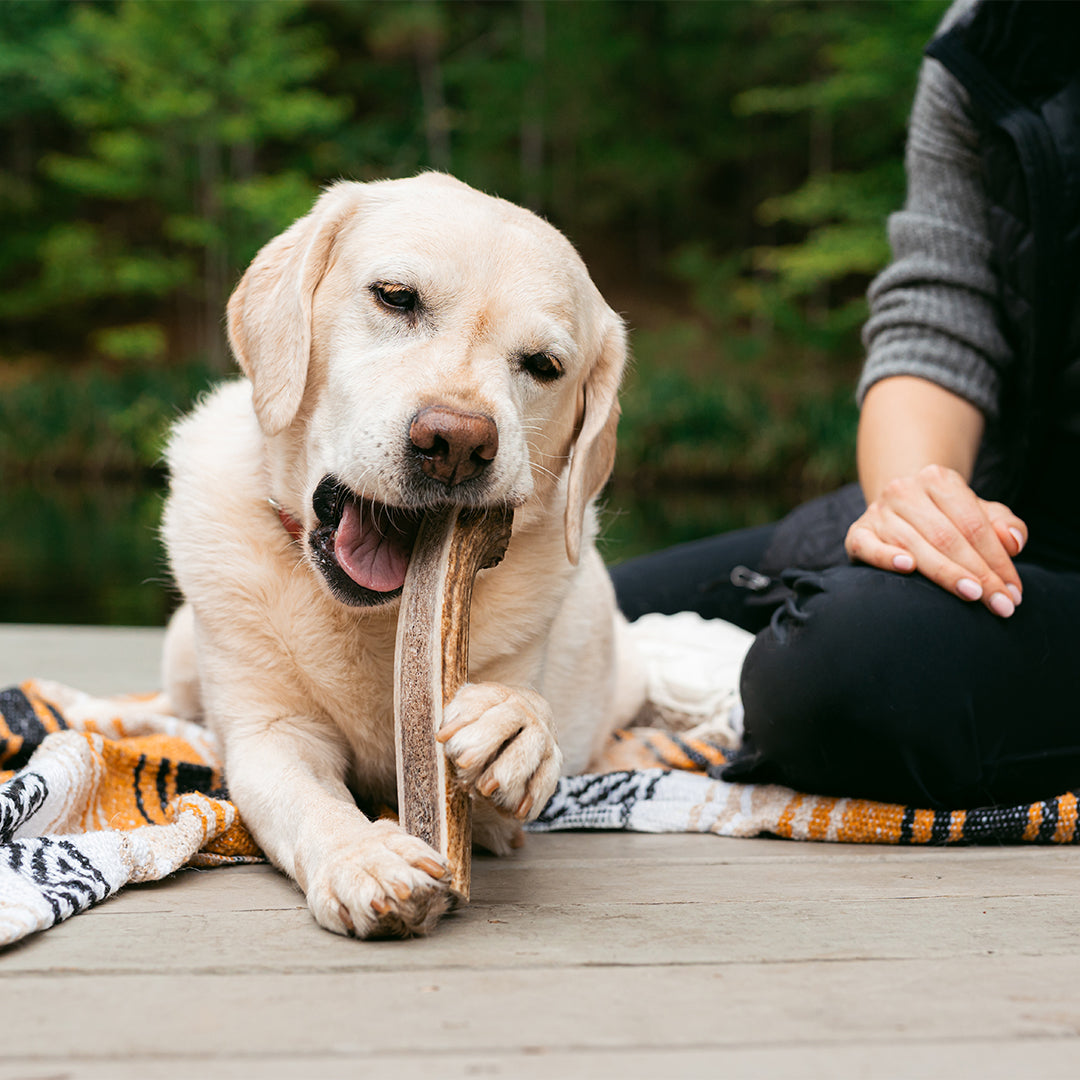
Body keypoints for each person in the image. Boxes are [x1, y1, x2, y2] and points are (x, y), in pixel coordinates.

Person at [611, 0, 1080, 811]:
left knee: (841, 674)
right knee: (566, 611)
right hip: (1016, 523)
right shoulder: (990, 38)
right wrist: (920, 507)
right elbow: (938, 318)